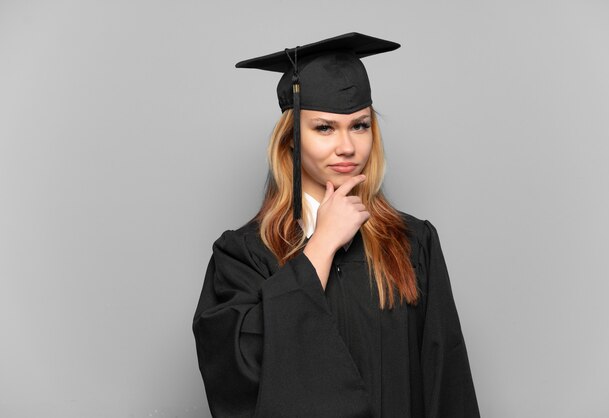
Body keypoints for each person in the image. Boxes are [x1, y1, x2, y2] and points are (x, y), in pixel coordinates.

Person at [192, 32, 480, 418]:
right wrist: (321, 247)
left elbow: (447, 382)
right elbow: (239, 371)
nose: (347, 146)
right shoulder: (244, 254)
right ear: (291, 139)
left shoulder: (413, 243)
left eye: (360, 126)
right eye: (324, 128)